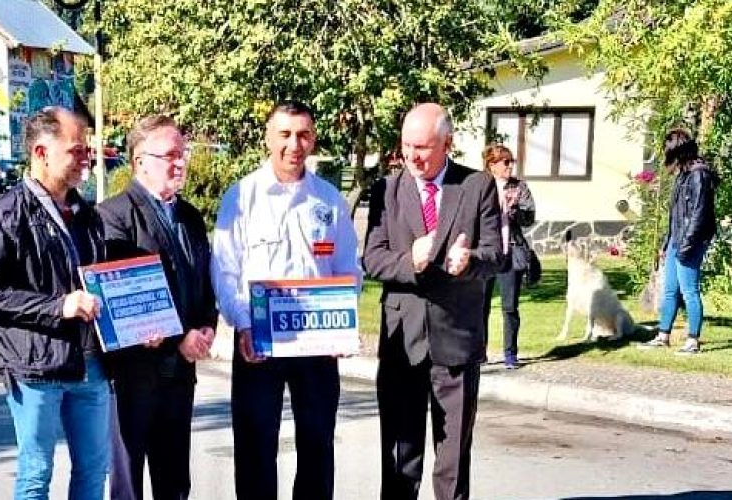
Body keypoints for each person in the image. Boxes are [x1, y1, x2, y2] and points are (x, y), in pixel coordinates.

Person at [211, 101, 362, 500]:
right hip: (258, 342)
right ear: (268, 138)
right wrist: (242, 322)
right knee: (256, 445)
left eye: (303, 134)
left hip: (316, 344)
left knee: (317, 445)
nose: (295, 144)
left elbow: (349, 269)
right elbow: (225, 270)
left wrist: (343, 321)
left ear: (313, 139)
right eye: (285, 134)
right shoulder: (242, 196)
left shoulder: (328, 199)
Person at [364, 103, 503, 500]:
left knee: (453, 457)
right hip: (402, 340)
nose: (413, 156)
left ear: (448, 143)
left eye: (423, 147)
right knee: (399, 455)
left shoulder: (477, 186)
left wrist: (470, 260)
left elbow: (496, 254)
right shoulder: (387, 190)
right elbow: (373, 258)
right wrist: (411, 261)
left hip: (455, 338)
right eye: (407, 146)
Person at [0, 106, 110, 499]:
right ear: (41, 153)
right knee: (36, 474)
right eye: (75, 150)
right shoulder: (1, 215)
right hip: (35, 365)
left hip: (90, 363)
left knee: (93, 472)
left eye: (85, 149)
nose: (85, 157)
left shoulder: (85, 213)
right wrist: (58, 306)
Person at [97, 115, 217, 500]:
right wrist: (175, 339)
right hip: (133, 378)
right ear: (140, 161)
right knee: (127, 484)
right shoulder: (113, 215)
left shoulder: (191, 217)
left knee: (175, 483)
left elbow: (203, 285)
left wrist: (205, 327)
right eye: (169, 155)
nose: (180, 163)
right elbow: (122, 301)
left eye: (183, 154)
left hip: (180, 378)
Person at [639, 129, 718, 355]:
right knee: (670, 290)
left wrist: (686, 245)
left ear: (679, 150)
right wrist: (667, 244)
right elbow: (675, 214)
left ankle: (693, 341)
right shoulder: (683, 175)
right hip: (676, 239)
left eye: (669, 150)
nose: (667, 156)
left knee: (689, 291)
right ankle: (663, 335)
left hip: (690, 242)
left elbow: (699, 215)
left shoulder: (698, 175)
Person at [480, 143, 535, 369]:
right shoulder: (481, 187)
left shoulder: (519, 187)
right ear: (492, 165)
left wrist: (515, 211)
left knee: (509, 306)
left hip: (510, 252)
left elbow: (529, 217)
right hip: (484, 253)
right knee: (480, 305)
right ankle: (478, 352)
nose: (510, 166)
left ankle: (510, 353)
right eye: (505, 162)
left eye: (511, 161)